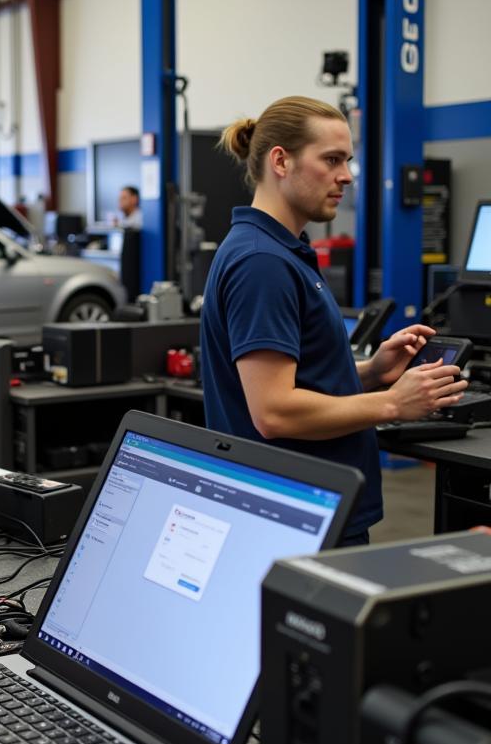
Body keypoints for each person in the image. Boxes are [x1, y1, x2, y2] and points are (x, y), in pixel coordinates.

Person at [200, 96, 467, 546]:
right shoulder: (262, 262)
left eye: (348, 160)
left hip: (305, 506)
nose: (346, 176)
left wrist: (370, 373)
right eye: (332, 160)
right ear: (281, 161)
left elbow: (295, 378)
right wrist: (393, 404)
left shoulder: (282, 250)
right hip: (294, 514)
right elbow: (274, 411)